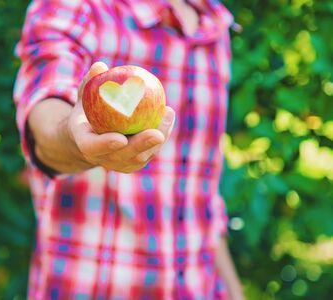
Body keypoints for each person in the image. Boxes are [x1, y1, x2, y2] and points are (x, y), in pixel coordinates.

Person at [14, 0, 245, 299]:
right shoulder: (74, 6)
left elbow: (201, 202)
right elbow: (46, 119)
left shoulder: (214, 25)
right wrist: (75, 139)